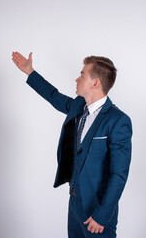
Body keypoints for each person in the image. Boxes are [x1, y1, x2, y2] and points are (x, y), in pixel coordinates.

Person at [12, 51, 132, 238]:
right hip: (75, 205)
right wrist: (29, 71)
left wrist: (101, 216)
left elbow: (119, 174)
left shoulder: (118, 121)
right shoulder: (78, 106)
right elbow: (54, 96)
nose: (77, 79)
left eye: (82, 74)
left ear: (96, 83)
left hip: (97, 210)